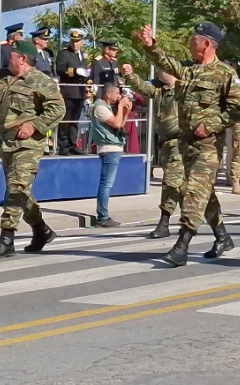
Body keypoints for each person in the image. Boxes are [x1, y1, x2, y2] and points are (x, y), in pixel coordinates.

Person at [141, 22, 240, 266]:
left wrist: (210, 126)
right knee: (204, 193)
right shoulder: (190, 71)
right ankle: (222, 236)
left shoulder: (225, 74)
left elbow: (238, 109)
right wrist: (150, 46)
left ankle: (182, 244)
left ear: (207, 44)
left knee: (193, 193)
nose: (190, 45)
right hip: (186, 144)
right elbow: (168, 64)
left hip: (208, 146)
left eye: (193, 40)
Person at [0, 45, 65, 259]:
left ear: (22, 59)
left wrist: (35, 125)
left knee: (16, 188)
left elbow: (58, 108)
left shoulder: (41, 81)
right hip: (7, 143)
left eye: (11, 55)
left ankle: (6, 238)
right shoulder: (5, 78)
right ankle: (42, 230)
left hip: (28, 144)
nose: (7, 58)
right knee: (22, 192)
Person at [123, 60, 185, 237]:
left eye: (162, 70)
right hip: (165, 143)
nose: (159, 73)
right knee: (183, 187)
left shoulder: (184, 89)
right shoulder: (159, 90)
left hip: (180, 143)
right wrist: (129, 74)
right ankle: (214, 228)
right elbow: (142, 87)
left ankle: (164, 223)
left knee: (171, 183)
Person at [87, 82, 131, 227]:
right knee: (106, 184)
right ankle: (103, 216)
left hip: (114, 147)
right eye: (117, 93)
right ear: (108, 94)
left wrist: (125, 111)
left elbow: (120, 125)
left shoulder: (106, 107)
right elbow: (117, 124)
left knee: (107, 183)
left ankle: (103, 215)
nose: (119, 96)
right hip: (108, 148)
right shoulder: (100, 107)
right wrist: (119, 106)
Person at [54, 28, 90, 154]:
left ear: (82, 42)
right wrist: (74, 71)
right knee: (66, 120)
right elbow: (60, 69)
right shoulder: (64, 53)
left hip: (80, 92)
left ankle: (72, 144)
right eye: (73, 41)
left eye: (77, 41)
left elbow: (85, 73)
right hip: (68, 91)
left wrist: (89, 82)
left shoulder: (83, 55)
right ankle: (63, 146)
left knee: (75, 120)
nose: (75, 44)